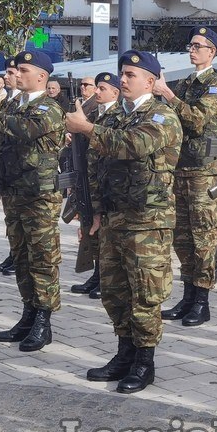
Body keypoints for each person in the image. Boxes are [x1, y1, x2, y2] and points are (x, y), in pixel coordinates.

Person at [69, 50, 181, 393]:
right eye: (123, 73)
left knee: (145, 294)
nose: (124, 79)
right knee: (115, 292)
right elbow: (97, 166)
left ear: (151, 81)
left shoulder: (162, 116)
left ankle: (144, 362)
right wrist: (95, 211)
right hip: (115, 217)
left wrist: (87, 128)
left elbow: (134, 145)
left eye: (132, 74)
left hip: (148, 220)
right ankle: (124, 353)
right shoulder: (114, 115)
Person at [0, 50, 66, 351]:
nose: (17, 72)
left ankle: (44, 320)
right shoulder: (14, 103)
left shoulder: (50, 108)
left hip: (40, 195)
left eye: (24, 69)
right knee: (21, 256)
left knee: (43, 258)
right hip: (15, 191)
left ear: (42, 76)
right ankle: (28, 313)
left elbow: (26, 130)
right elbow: (0, 148)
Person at [155, 27, 217, 327]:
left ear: (212, 52)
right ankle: (187, 296)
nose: (192, 50)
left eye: (199, 46)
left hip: (205, 173)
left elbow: (197, 120)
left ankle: (202, 300)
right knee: (182, 238)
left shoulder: (216, 85)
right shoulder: (187, 82)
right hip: (181, 169)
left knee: (204, 239)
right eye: (191, 45)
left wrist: (168, 95)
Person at [70, 71, 122, 299]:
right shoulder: (97, 115)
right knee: (92, 229)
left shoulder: (118, 116)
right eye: (97, 88)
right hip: (91, 180)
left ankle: (105, 277)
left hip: (106, 182)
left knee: (104, 234)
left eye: (102, 89)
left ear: (115, 93)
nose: (97, 92)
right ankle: (97, 274)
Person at [0, 61, 22, 277]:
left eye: (11, 73)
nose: (7, 77)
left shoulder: (20, 102)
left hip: (23, 176)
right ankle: (13, 255)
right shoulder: (10, 101)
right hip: (8, 172)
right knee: (11, 222)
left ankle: (16, 257)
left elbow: (18, 130)